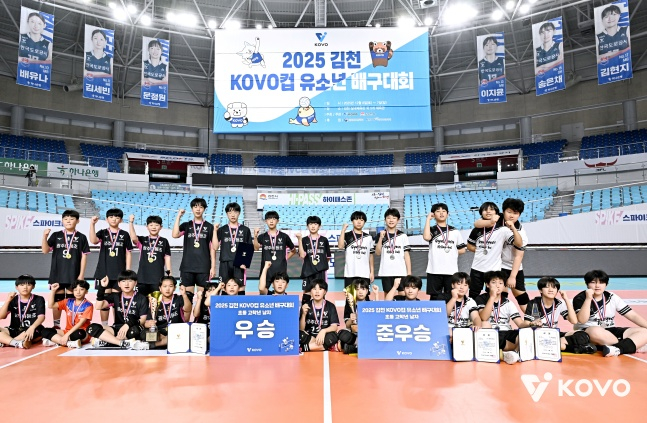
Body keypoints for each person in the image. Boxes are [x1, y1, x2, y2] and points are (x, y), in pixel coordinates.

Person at [573, 270, 647, 357]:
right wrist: (588, 298)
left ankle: (617, 349)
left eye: (601, 282)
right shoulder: (580, 298)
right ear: (587, 284)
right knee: (595, 331)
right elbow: (582, 320)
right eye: (593, 282)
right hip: (588, 331)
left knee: (644, 332)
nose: (597, 286)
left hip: (611, 330)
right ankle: (631, 345)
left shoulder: (612, 297)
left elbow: (632, 315)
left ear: (606, 284)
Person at [473, 199, 529, 312]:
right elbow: (477, 223)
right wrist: (490, 222)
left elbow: (518, 256)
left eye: (515, 213)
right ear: (503, 211)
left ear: (519, 215)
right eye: (509, 212)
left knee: (521, 296)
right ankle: (496, 317)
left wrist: (512, 276)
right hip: (497, 266)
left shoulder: (520, 231)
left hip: (513, 267)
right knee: (496, 294)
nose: (511, 215)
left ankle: (534, 318)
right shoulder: (497, 220)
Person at [42, 209, 90, 329]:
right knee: (57, 300)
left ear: (77, 221)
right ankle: (56, 325)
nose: (68, 221)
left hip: (73, 274)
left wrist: (81, 275)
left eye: (72, 219)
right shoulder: (56, 235)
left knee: (71, 301)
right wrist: (44, 236)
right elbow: (45, 250)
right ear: (62, 221)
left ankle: (71, 324)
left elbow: (84, 257)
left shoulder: (81, 237)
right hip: (57, 274)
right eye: (66, 219)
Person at [524, 277, 596, 354]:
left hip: (554, 334)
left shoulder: (559, 303)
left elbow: (574, 321)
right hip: (539, 335)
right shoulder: (533, 303)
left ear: (557, 290)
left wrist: (566, 299)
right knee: (531, 340)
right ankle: (572, 348)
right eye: (547, 287)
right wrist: (532, 323)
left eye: (554, 287)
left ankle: (555, 345)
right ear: (540, 290)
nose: (551, 290)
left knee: (582, 335)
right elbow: (525, 323)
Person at [466, 202, 522, 299]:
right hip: (476, 268)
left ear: (497, 213)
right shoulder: (476, 229)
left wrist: (513, 228)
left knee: (493, 294)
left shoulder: (503, 230)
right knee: (473, 294)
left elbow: (519, 244)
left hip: (494, 270)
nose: (488, 212)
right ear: (481, 213)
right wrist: (483, 250)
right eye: (485, 210)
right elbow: (469, 246)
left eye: (491, 209)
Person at [90, 209, 132, 326]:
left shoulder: (124, 234)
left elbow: (128, 252)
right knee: (104, 299)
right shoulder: (103, 233)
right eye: (111, 217)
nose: (114, 219)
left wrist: (127, 271)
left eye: (117, 217)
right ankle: (104, 326)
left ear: (121, 220)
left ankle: (117, 325)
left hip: (119, 273)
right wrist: (92, 224)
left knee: (118, 300)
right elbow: (93, 240)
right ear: (107, 219)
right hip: (104, 272)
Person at [87, 271, 149, 350]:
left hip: (132, 328)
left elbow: (143, 319)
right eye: (123, 281)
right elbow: (99, 306)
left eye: (130, 281)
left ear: (135, 283)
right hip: (116, 328)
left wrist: (127, 325)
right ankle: (121, 343)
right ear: (119, 284)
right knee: (91, 328)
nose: (126, 284)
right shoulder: (115, 296)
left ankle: (108, 341)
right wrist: (102, 288)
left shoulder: (142, 298)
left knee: (136, 331)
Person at [475, 271, 527, 365]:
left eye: (500, 283)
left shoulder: (508, 302)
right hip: (491, 333)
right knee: (484, 324)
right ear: (487, 285)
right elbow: (484, 317)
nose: (497, 286)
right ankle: (508, 352)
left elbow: (520, 323)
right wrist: (492, 297)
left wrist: (530, 323)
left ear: (504, 286)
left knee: (524, 333)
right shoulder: (481, 299)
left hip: (506, 332)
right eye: (494, 282)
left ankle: (510, 353)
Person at [173, 198, 217, 298]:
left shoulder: (209, 227)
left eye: (201, 207)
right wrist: (178, 216)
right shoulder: (186, 225)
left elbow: (213, 248)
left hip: (204, 267)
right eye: (195, 206)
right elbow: (175, 234)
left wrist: (213, 267)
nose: (198, 209)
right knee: (187, 297)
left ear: (204, 209)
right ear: (192, 209)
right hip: (187, 267)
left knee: (203, 297)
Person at [423, 203, 467, 300]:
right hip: (434, 270)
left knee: (451, 295)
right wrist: (428, 219)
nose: (441, 213)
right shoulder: (432, 230)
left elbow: (462, 249)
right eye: (438, 211)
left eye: (443, 211)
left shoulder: (455, 231)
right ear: (433, 214)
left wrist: (450, 252)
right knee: (434, 297)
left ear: (448, 214)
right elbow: (426, 237)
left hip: (451, 270)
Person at [143, 276, 192, 349]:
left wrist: (184, 294)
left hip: (176, 330)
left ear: (175, 288)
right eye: (165, 286)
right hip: (160, 332)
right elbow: (146, 323)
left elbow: (188, 310)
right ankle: (168, 341)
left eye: (170, 286)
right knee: (143, 333)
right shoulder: (155, 301)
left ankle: (155, 344)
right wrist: (149, 324)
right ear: (160, 288)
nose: (167, 289)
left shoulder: (179, 299)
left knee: (184, 334)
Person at [215, 202, 252, 295]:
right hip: (225, 262)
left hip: (239, 264)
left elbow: (249, 247)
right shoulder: (222, 230)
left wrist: (245, 262)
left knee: (240, 288)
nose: (232, 214)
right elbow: (215, 247)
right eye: (230, 212)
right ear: (227, 214)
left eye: (235, 212)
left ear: (239, 213)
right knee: (224, 287)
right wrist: (215, 231)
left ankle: (240, 305)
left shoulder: (245, 230)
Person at [42, 280, 93, 348]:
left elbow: (80, 323)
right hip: (67, 331)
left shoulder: (88, 305)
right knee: (44, 331)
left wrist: (66, 335)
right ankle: (68, 343)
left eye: (81, 289)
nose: (78, 292)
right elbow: (51, 305)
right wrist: (53, 291)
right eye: (75, 290)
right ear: (73, 291)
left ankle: (56, 341)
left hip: (81, 331)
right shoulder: (68, 302)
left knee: (79, 334)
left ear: (86, 291)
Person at [130, 215, 172, 297]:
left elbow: (167, 257)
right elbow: (133, 238)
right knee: (141, 302)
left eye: (156, 225)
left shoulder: (164, 241)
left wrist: (169, 274)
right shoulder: (143, 240)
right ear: (147, 227)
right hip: (142, 278)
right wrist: (131, 222)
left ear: (161, 227)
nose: (154, 227)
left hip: (157, 278)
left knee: (156, 302)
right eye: (151, 225)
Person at [0, 275, 45, 349]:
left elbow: (41, 317)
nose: (25, 287)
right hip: (15, 329)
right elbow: (1, 316)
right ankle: (17, 343)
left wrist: (32, 327)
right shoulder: (13, 300)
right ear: (16, 287)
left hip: (31, 329)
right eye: (22, 285)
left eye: (29, 285)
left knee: (27, 335)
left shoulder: (39, 299)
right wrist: (8, 300)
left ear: (33, 286)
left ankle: (8, 341)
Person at [337, 278, 379, 354]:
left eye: (363, 289)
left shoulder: (370, 304)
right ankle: (360, 345)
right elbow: (347, 325)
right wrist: (351, 320)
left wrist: (376, 294)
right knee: (341, 334)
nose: (360, 292)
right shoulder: (350, 305)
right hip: (355, 335)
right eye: (357, 289)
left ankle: (353, 347)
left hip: (367, 333)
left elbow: (378, 313)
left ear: (367, 291)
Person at [253, 210, 295, 284]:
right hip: (266, 270)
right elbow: (256, 248)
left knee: (279, 290)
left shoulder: (284, 236)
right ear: (266, 221)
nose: (271, 221)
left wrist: (285, 258)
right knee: (263, 289)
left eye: (274, 219)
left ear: (278, 221)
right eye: (269, 219)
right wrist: (255, 236)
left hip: (280, 271)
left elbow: (293, 250)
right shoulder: (262, 236)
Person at [375, 208, 411, 295]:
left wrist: (409, 272)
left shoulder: (403, 236)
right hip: (386, 271)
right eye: (388, 218)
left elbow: (406, 255)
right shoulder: (380, 235)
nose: (391, 220)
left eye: (394, 218)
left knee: (402, 295)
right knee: (387, 296)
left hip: (401, 271)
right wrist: (381, 238)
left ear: (398, 220)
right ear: (385, 220)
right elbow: (377, 253)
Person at [296, 216, 331, 304]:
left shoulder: (324, 240)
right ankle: (304, 311)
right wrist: (299, 240)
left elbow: (328, 257)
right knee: (306, 294)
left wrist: (320, 266)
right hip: (308, 271)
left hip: (320, 272)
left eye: (315, 224)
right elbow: (302, 255)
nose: (313, 226)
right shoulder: (304, 240)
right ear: (307, 226)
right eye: (311, 224)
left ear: (319, 226)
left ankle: (321, 311)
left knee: (321, 293)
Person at [299, 279, 340, 352]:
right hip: (310, 336)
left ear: (325, 292)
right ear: (310, 292)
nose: (317, 292)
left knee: (333, 336)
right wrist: (303, 314)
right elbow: (301, 329)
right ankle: (323, 346)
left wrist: (323, 331)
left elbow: (334, 326)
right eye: (314, 289)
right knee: (298, 334)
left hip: (324, 336)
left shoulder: (331, 306)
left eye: (320, 289)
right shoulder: (306, 306)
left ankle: (305, 348)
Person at [338, 211, 375, 288]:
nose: (359, 222)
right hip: (350, 273)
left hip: (365, 274)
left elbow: (371, 256)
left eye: (361, 220)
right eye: (356, 219)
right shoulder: (347, 235)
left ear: (364, 222)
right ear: (352, 221)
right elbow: (340, 246)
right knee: (350, 295)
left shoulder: (368, 237)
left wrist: (372, 272)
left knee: (364, 295)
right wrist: (343, 231)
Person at [445, 272, 482, 341]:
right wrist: (454, 298)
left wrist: (477, 325)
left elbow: (475, 317)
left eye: (465, 285)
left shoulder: (470, 301)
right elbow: (445, 314)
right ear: (452, 285)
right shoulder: (444, 298)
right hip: (447, 329)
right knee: (450, 333)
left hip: (463, 330)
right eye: (459, 284)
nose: (462, 287)